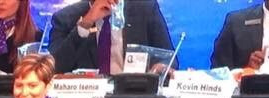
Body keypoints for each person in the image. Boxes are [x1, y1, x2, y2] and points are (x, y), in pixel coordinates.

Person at [48, 0, 176, 75]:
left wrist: (161, 67)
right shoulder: (65, 18)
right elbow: (54, 68)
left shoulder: (145, 9)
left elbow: (169, 58)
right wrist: (85, 24)